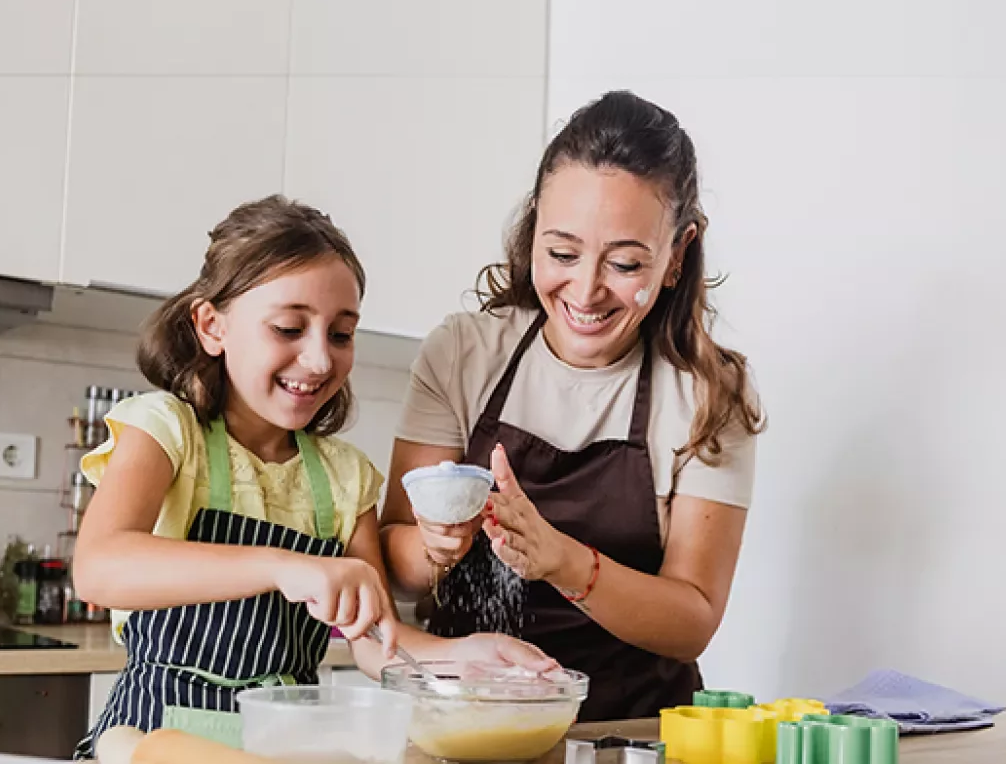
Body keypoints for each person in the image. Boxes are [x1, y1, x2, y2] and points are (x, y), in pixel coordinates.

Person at [71, 195, 554, 757]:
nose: (321, 361)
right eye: (288, 328)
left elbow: (376, 644)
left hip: (280, 749)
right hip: (150, 744)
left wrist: (461, 656)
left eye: (341, 334)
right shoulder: (167, 431)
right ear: (211, 325)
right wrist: (284, 567)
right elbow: (99, 568)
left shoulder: (343, 476)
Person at [380, 91, 767, 720]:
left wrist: (560, 559)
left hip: (634, 730)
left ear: (676, 255)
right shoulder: (462, 354)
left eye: (623, 263)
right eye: (562, 253)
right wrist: (436, 545)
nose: (585, 290)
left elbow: (693, 617)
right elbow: (395, 563)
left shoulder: (705, 395)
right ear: (534, 227)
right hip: (465, 721)